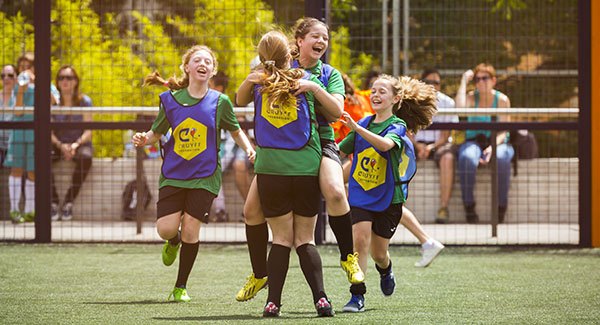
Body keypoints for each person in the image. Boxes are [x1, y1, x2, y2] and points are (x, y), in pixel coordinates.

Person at [235, 17, 362, 303]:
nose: (322, 42)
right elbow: (243, 98)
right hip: (281, 150)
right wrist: (254, 76)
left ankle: (348, 257)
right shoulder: (278, 66)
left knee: (335, 190)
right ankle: (259, 274)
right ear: (299, 41)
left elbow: (336, 112)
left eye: (325, 39)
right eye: (316, 36)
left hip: (321, 141)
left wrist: (314, 88)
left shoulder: (328, 74)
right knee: (251, 212)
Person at [132, 45, 255, 302]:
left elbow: (235, 131)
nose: (203, 64)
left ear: (212, 70)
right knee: (166, 229)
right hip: (174, 174)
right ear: (186, 68)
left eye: (208, 61)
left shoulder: (220, 102)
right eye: (197, 60)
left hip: (205, 175)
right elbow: (156, 132)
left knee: (191, 229)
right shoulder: (170, 100)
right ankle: (172, 242)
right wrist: (145, 138)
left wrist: (249, 149)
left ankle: (180, 287)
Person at [338, 75, 437, 312]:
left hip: (388, 198)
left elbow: (384, 145)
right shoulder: (363, 122)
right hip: (361, 193)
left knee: (378, 253)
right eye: (373, 91)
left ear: (396, 98)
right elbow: (340, 149)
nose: (375, 95)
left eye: (382, 91)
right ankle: (357, 296)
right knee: (359, 242)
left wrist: (356, 128)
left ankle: (386, 269)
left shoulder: (397, 126)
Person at [455, 63, 514, 223]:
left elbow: (504, 131)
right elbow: (459, 110)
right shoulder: (471, 97)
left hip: (498, 142)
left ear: (493, 80)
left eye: (484, 78)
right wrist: (463, 81)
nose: (480, 82)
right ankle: (469, 206)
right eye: (477, 79)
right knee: (466, 158)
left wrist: (492, 148)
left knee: (501, 159)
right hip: (473, 142)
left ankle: (501, 207)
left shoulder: (501, 100)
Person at [413, 68, 458, 224]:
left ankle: (443, 208)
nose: (433, 86)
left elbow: (446, 135)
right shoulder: (411, 100)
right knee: (398, 152)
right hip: (415, 143)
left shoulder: (448, 103)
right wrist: (418, 146)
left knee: (448, 157)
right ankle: (394, 206)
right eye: (428, 82)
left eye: (436, 83)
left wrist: (431, 147)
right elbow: (406, 130)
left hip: (439, 144)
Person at [50, 65, 93, 221]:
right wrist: (61, 146)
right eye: (61, 78)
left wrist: (75, 145)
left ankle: (68, 202)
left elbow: (89, 131)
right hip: (57, 144)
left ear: (76, 81)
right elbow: (49, 132)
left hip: (79, 144)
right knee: (41, 156)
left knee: (86, 158)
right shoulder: (52, 102)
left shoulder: (85, 101)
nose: (65, 81)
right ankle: (53, 203)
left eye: (69, 78)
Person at [5, 53, 38, 223]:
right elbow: (17, 111)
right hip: (18, 132)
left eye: (28, 66)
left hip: (35, 134)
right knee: (16, 169)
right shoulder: (16, 88)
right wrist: (21, 91)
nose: (25, 70)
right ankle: (14, 210)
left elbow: (54, 102)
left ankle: (30, 211)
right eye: (22, 67)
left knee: (33, 171)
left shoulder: (44, 84)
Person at [332, 73, 373, 143]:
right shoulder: (362, 96)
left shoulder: (342, 104)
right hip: (371, 142)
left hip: (354, 147)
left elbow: (331, 129)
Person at [1, 64, 17, 166]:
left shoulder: (20, 99)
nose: (6, 78)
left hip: (15, 145)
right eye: (3, 76)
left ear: (16, 78)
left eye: (10, 75)